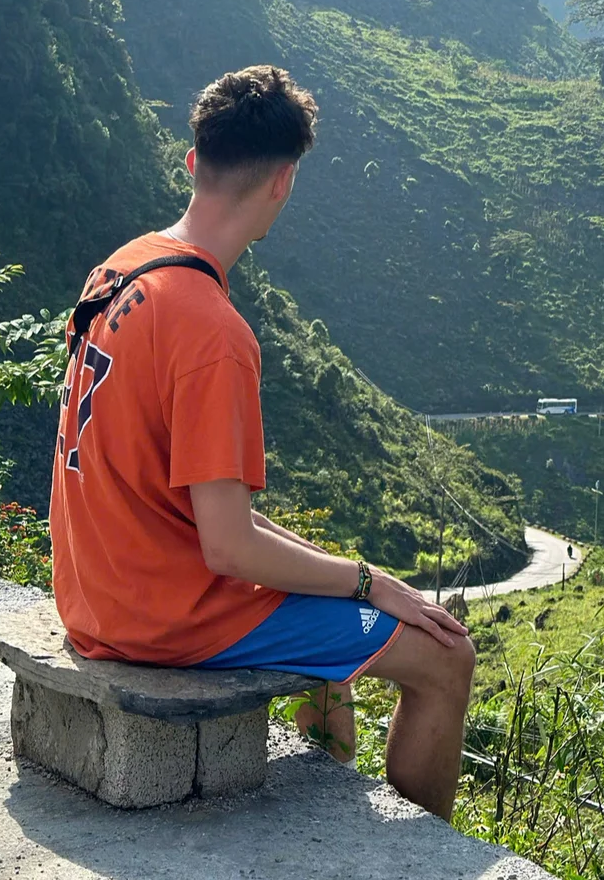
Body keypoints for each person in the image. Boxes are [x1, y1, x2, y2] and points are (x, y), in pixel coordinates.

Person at [49, 65, 474, 821]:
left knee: (329, 620)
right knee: (447, 657)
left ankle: (331, 806)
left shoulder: (118, 269)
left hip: (94, 592)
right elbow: (229, 551)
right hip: (160, 616)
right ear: (284, 183)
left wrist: (346, 575)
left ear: (193, 164)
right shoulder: (213, 332)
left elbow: (204, 512)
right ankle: (429, 858)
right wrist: (372, 583)